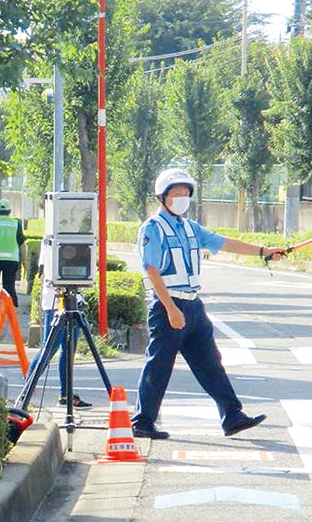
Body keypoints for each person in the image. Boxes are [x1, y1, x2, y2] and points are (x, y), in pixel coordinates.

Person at [132, 168, 285, 440]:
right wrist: (170, 308)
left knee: (211, 362)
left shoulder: (191, 228)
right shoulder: (153, 228)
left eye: (185, 193)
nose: (182, 198)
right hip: (169, 306)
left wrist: (263, 252)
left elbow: (224, 243)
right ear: (162, 196)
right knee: (159, 364)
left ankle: (232, 416)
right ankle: (142, 422)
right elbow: (151, 269)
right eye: (176, 193)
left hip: (193, 305)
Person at [27, 240, 91, 408]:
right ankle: (28, 387)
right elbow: (46, 271)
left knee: (69, 349)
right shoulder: (50, 238)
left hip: (72, 299)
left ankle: (66, 394)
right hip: (55, 302)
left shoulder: (73, 237)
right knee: (50, 348)